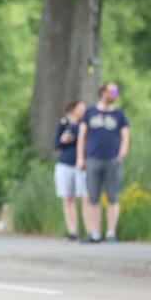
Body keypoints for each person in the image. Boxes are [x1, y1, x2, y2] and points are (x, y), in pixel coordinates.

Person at [77, 82, 130, 243]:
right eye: (111, 91)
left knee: (113, 196)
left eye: (116, 91)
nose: (114, 94)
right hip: (93, 159)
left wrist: (122, 153)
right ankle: (95, 233)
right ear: (102, 92)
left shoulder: (119, 115)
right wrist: (80, 157)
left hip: (112, 160)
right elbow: (82, 136)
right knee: (93, 197)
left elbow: (125, 135)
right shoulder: (90, 113)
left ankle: (111, 233)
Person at [54, 101, 87, 241]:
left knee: (83, 197)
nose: (83, 111)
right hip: (65, 164)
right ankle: (72, 231)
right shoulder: (63, 123)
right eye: (80, 109)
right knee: (68, 198)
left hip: (81, 165)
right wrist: (63, 140)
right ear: (73, 109)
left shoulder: (84, 124)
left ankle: (89, 231)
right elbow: (56, 143)